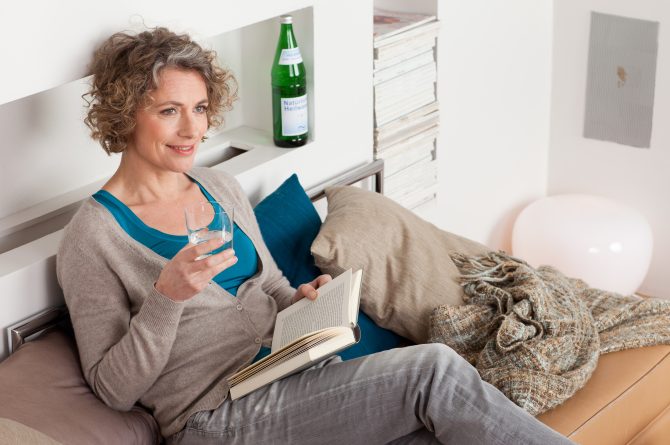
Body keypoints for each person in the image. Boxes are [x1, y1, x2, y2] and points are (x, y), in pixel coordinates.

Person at [57, 27, 574, 445]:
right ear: (125, 114)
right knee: (433, 373)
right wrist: (166, 299)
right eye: (169, 111)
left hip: (293, 381)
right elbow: (112, 389)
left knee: (435, 431)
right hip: (214, 419)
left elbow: (275, 288)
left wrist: (307, 303)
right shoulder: (94, 236)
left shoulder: (218, 185)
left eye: (199, 108)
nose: (192, 130)